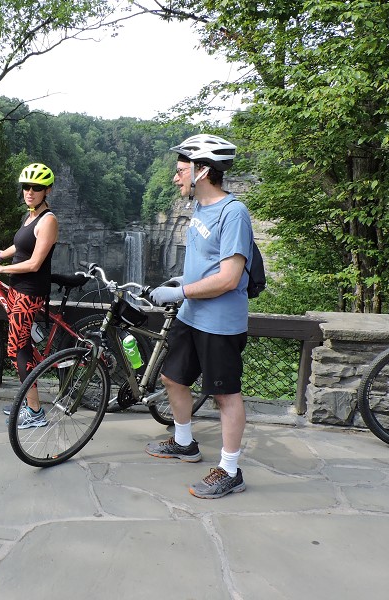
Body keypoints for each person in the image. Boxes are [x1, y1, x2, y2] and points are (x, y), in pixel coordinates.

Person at [146, 134, 252, 499]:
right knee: (172, 377)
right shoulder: (199, 209)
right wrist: (182, 281)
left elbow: (229, 278)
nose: (175, 177)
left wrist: (180, 292)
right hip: (192, 315)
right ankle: (184, 443)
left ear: (202, 171)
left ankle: (230, 471)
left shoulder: (233, 213)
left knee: (225, 395)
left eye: (181, 170)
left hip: (220, 323)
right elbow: (206, 263)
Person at [0, 163, 59, 429]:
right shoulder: (30, 216)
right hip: (18, 288)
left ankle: (35, 411)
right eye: (26, 187)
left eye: (36, 188)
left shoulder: (48, 220)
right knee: (20, 345)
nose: (29, 191)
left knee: (18, 348)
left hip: (30, 292)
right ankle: (28, 402)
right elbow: (21, 245)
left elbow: (35, 263)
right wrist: (0, 254)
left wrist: (1, 269)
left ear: (47, 190)